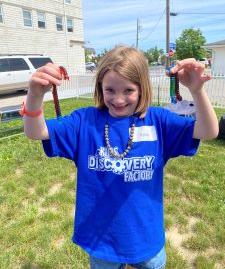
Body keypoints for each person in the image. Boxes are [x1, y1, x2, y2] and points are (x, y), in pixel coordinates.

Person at [22, 46, 218, 269]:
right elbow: (36, 132)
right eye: (110, 90)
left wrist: (197, 91)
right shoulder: (84, 121)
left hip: (146, 235)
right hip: (102, 238)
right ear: (100, 88)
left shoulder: (158, 121)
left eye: (128, 90)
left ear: (142, 88)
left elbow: (208, 131)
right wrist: (35, 95)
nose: (118, 99)